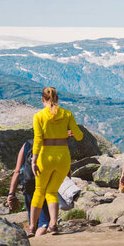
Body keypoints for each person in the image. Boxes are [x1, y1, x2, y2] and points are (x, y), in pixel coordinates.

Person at [28, 87, 83, 237]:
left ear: (42, 99)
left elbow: (38, 139)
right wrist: (67, 133)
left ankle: (32, 228)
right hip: (63, 158)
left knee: (39, 191)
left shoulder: (38, 116)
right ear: (57, 98)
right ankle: (53, 224)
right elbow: (79, 136)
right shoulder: (67, 114)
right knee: (51, 191)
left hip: (45, 157)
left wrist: (34, 160)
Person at [6, 139, 50, 236]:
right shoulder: (54, 141)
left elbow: (17, 171)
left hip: (29, 187)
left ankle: (32, 235)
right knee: (44, 223)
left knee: (33, 224)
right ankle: (40, 244)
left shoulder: (27, 144)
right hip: (45, 187)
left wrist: (11, 194)